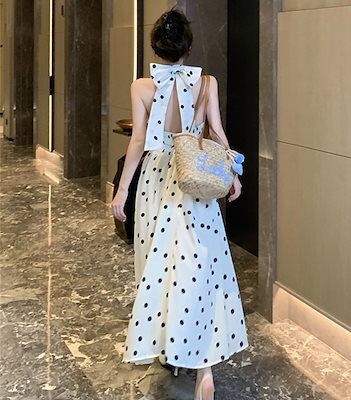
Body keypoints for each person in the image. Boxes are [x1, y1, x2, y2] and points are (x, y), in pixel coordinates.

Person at [111, 7, 249, 400]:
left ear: (156, 46)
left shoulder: (142, 86)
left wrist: (122, 191)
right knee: (200, 265)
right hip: (194, 178)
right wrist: (233, 174)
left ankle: (169, 346)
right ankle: (204, 367)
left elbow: (139, 142)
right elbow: (217, 132)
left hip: (156, 180)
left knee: (158, 265)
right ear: (187, 47)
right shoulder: (206, 82)